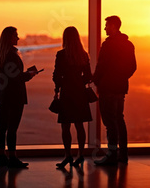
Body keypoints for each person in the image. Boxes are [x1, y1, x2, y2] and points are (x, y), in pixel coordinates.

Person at [93, 15, 136, 165]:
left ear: (113, 26)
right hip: (120, 88)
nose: (104, 28)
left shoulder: (108, 45)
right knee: (119, 119)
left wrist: (97, 81)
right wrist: (122, 78)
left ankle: (111, 154)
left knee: (109, 122)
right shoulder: (128, 45)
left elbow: (101, 66)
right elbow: (133, 67)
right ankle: (122, 155)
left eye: (106, 25)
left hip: (107, 88)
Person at [0, 26, 38, 168]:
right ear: (9, 38)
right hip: (15, 96)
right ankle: (12, 157)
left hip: (4, 96)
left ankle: (2, 156)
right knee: (12, 128)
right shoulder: (12, 54)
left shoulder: (0, 54)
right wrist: (29, 75)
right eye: (15, 35)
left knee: (2, 126)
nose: (18, 38)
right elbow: (16, 78)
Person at [52, 26, 92, 168]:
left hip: (67, 93)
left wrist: (61, 85)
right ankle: (80, 155)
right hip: (80, 93)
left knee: (65, 126)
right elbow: (88, 76)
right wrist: (79, 82)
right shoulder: (84, 54)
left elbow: (56, 75)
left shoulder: (61, 54)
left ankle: (67, 155)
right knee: (80, 125)